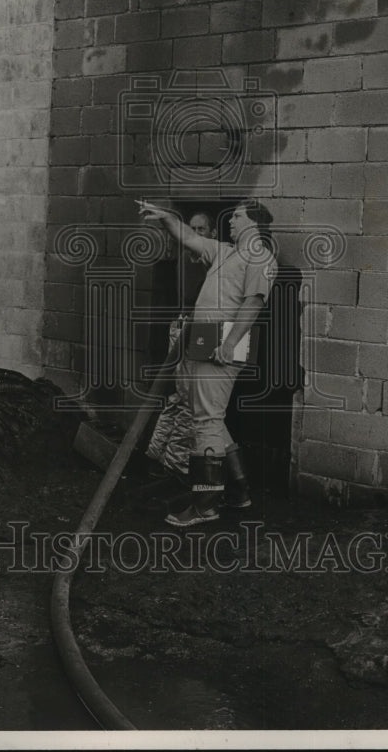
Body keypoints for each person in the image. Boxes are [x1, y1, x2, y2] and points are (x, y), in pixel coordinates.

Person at [137, 198, 277, 528]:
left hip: (223, 341)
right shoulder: (227, 252)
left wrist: (229, 344)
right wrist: (165, 218)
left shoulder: (260, 257)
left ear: (254, 223)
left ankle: (206, 504)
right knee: (209, 417)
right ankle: (239, 490)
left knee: (206, 421)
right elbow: (189, 237)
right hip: (206, 338)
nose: (230, 221)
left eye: (238, 216)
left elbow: (253, 303)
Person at [146, 209, 216, 478]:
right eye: (193, 230)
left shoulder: (207, 258)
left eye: (202, 230)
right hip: (191, 329)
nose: (196, 234)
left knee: (180, 399)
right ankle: (173, 465)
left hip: (191, 327)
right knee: (188, 402)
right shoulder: (195, 259)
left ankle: (159, 456)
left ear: (212, 233)